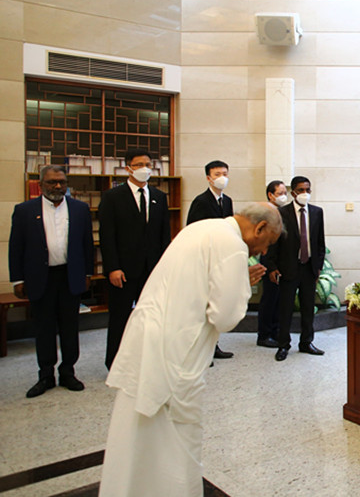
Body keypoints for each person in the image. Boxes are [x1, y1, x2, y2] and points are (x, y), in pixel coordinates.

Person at [98, 203, 281, 497]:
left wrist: (236, 280)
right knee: (177, 438)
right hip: (176, 351)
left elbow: (195, 284)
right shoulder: (233, 245)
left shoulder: (201, 228)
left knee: (135, 433)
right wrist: (241, 286)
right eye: (267, 243)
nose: (263, 251)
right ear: (259, 228)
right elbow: (225, 317)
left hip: (150, 337)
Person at [9, 165, 94, 398]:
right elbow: (16, 247)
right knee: (44, 327)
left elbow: (87, 244)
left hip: (70, 276)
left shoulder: (79, 209)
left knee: (70, 327)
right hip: (40, 277)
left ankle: (68, 372)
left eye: (62, 182)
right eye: (52, 182)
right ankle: (45, 375)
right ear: (40, 185)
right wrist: (17, 279)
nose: (58, 186)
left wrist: (87, 274)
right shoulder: (25, 210)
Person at [99, 148, 171, 370]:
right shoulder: (112, 197)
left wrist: (164, 267)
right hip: (123, 270)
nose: (144, 169)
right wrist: (113, 267)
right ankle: (115, 363)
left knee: (151, 318)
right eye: (139, 165)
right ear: (128, 168)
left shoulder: (159, 197)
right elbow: (107, 236)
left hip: (152, 269)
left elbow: (164, 235)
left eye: (148, 165)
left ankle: (147, 361)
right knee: (120, 318)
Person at [264, 176, 326, 361]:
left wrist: (318, 266)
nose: (305, 193)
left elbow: (320, 242)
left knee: (308, 307)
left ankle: (306, 342)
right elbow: (273, 241)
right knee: (285, 308)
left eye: (307, 190)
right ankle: (283, 345)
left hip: (309, 268)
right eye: (301, 190)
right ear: (293, 193)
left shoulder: (317, 212)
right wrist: (272, 266)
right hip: (288, 267)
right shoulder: (281, 213)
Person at [186, 160, 235, 360]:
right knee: (202, 305)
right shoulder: (201, 201)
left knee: (215, 304)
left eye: (225, 173)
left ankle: (213, 345)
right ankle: (201, 349)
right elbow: (193, 230)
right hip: (204, 258)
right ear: (208, 178)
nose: (222, 178)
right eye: (217, 174)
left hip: (220, 258)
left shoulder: (227, 200)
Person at [256, 180, 288, 348]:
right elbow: (265, 243)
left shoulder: (282, 212)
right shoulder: (265, 213)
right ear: (270, 195)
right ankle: (264, 335)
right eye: (280, 193)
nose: (284, 196)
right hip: (269, 263)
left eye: (285, 193)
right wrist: (271, 267)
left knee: (278, 300)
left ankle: (275, 332)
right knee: (269, 299)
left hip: (281, 262)